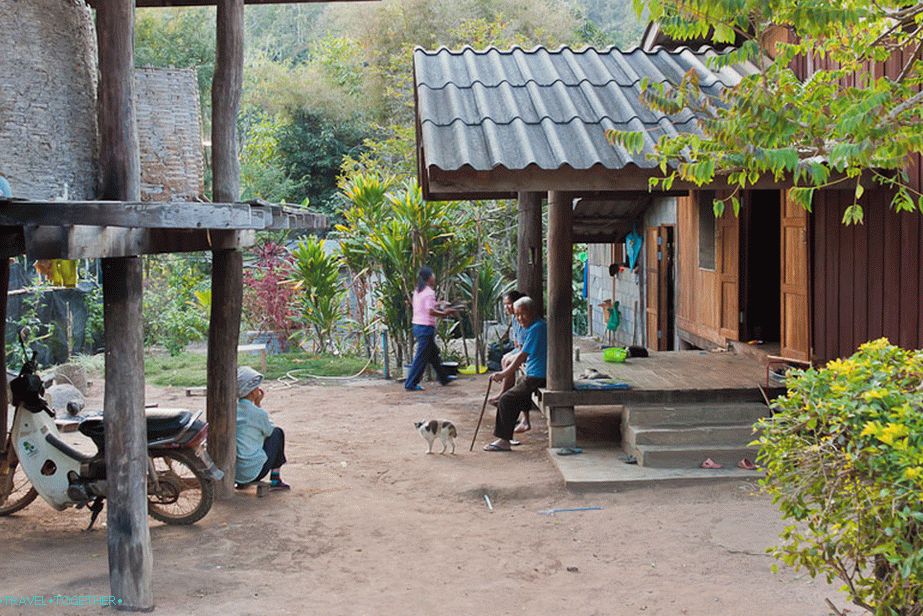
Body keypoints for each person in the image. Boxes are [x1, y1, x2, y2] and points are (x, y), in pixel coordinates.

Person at [483, 296, 546, 452]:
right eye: (517, 315)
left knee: (506, 400)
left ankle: (504, 440)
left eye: (523, 314)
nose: (520, 318)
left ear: (532, 312)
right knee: (519, 388)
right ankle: (524, 422)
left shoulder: (537, 328)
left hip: (538, 375)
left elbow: (522, 356)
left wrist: (503, 374)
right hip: (534, 372)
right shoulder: (534, 327)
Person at [235, 366, 290, 491]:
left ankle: (242, 482)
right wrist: (258, 405)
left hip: (234, 472)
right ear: (253, 392)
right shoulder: (257, 413)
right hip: (254, 472)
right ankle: (275, 478)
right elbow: (269, 431)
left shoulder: (232, 410)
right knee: (277, 433)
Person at [404, 266, 456, 391]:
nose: (434, 277)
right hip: (426, 328)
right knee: (421, 358)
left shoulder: (418, 291)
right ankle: (410, 383)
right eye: (433, 275)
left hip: (417, 326)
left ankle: (443, 378)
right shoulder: (429, 292)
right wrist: (445, 313)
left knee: (433, 355)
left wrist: (440, 304)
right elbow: (430, 311)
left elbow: (424, 306)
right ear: (428, 278)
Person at [489, 289, 525, 405]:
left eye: (508, 304)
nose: (506, 307)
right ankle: (504, 393)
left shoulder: (521, 318)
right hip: (518, 348)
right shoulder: (515, 318)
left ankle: (504, 394)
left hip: (523, 349)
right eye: (505, 305)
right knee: (504, 358)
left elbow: (522, 344)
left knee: (509, 361)